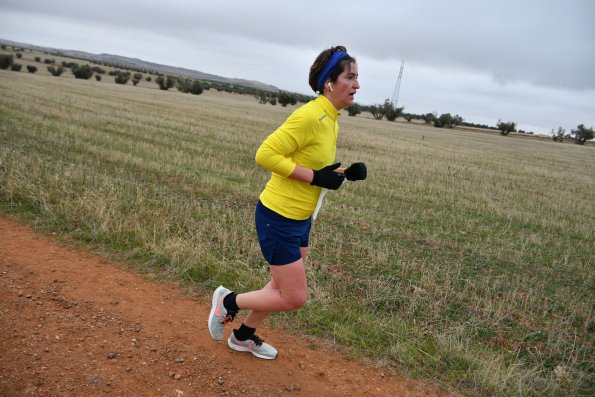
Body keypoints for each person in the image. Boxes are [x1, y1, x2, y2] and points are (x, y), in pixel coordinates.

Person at [208, 45, 367, 359]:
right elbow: (265, 155)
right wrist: (315, 177)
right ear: (329, 83)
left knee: (279, 287)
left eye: (357, 78)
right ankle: (228, 303)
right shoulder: (310, 115)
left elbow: (309, 164)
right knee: (294, 297)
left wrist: (343, 173)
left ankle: (243, 335)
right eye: (350, 77)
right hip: (278, 216)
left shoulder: (330, 117)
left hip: (300, 218)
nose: (357, 85)